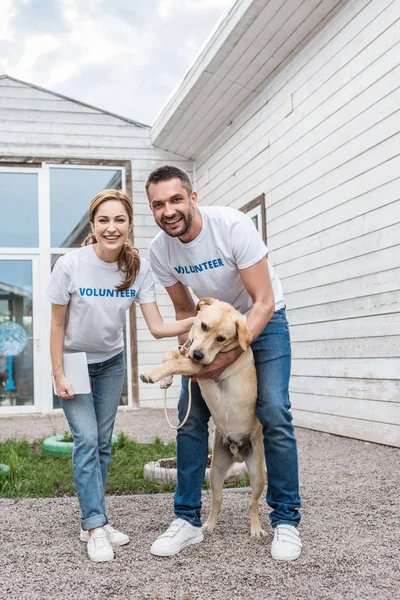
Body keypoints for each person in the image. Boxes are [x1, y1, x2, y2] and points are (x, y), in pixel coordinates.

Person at [145, 166, 302, 561]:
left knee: (273, 410)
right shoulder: (159, 251)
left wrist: (225, 355)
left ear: (193, 198)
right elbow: (185, 311)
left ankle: (285, 521)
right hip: (211, 327)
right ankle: (187, 520)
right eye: (158, 204)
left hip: (263, 321)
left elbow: (263, 300)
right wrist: (193, 354)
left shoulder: (232, 227)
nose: (168, 210)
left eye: (176, 200)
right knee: (189, 416)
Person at [47, 188, 194, 564]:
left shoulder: (137, 267)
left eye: (119, 220)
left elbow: (158, 325)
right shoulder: (69, 265)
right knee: (86, 439)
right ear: (92, 225)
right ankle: (96, 527)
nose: (111, 228)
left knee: (103, 445)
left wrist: (203, 319)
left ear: (129, 224)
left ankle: (93, 518)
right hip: (74, 362)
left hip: (111, 362)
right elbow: (57, 324)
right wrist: (58, 373)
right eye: (103, 220)